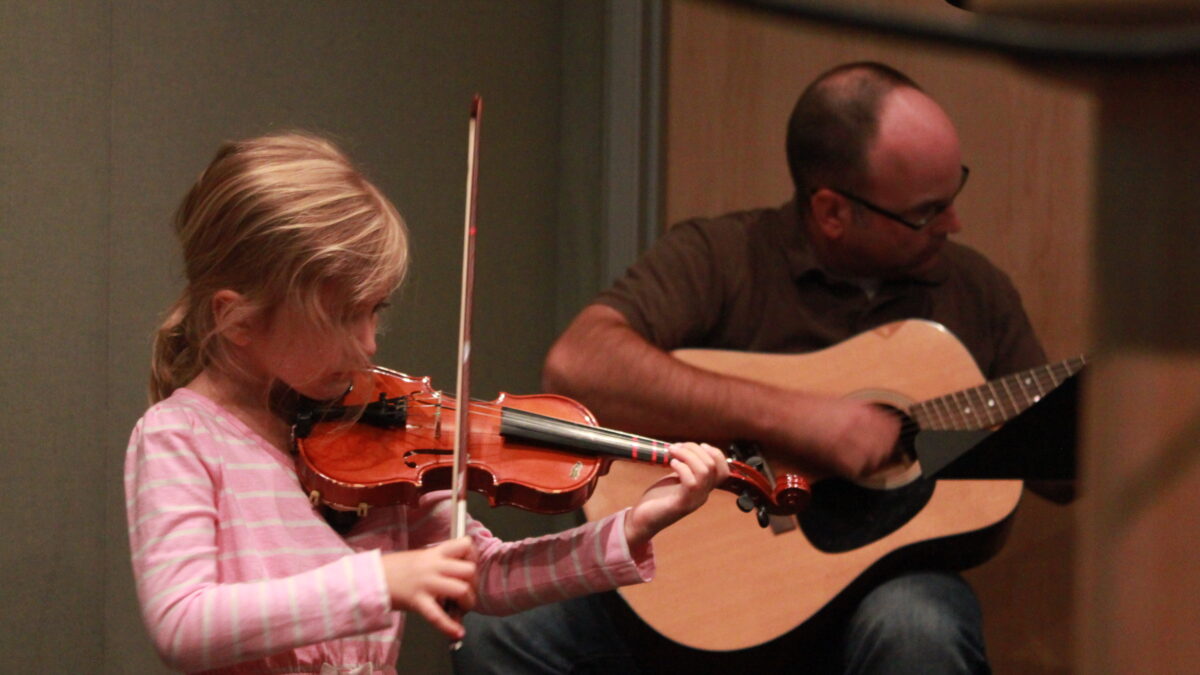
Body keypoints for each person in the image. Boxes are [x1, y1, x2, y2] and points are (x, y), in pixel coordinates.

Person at [452, 62, 1050, 674]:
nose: (954, 224)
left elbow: (1068, 460)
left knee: (920, 629)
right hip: (697, 579)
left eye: (954, 195)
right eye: (927, 212)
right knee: (499, 636)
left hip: (882, 592)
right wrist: (798, 419)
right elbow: (579, 364)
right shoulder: (723, 257)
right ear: (832, 211)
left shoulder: (975, 291)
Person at [124, 132, 731, 674]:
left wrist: (628, 529)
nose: (366, 345)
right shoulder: (180, 438)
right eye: (341, 317)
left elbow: (484, 575)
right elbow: (183, 625)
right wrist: (378, 581)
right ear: (237, 319)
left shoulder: (374, 431)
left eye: (375, 311)